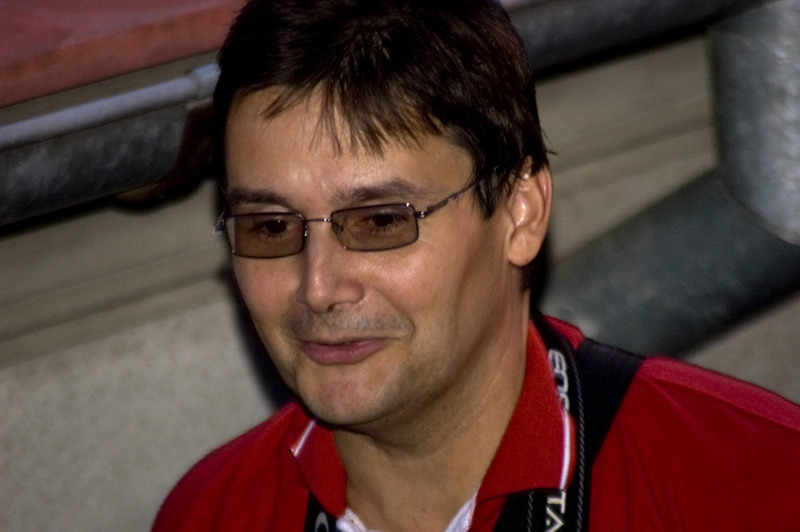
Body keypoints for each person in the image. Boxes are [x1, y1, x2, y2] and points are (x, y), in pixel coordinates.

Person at [153, 0, 800, 530]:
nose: (317, 287)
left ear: (520, 214)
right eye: (270, 227)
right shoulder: (210, 515)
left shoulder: (752, 486)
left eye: (380, 222)